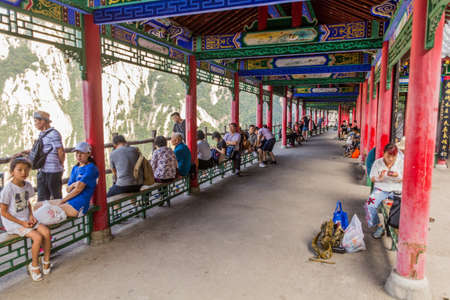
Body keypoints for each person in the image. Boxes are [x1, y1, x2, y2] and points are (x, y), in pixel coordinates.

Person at [0, 157, 52, 281]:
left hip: (26, 219)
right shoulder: (8, 189)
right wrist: (22, 222)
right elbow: (3, 212)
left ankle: (46, 260)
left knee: (46, 232)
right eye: (20, 170)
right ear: (12, 172)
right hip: (14, 223)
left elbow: (27, 203)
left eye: (26, 170)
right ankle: (34, 265)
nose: (24, 173)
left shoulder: (27, 185)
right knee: (37, 237)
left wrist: (31, 216)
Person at [37, 142, 99, 218]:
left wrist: (62, 201)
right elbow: (68, 189)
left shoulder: (91, 168)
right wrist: (74, 184)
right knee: (37, 205)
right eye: (77, 153)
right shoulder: (75, 168)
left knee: (43, 212)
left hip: (79, 205)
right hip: (69, 200)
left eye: (82, 153)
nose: (78, 155)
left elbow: (78, 189)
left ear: (88, 154)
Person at [365, 144, 403, 239]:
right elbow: (372, 178)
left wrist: (397, 176)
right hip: (381, 189)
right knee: (369, 205)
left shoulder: (400, 162)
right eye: (388, 156)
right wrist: (379, 178)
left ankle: (398, 228)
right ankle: (379, 226)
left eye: (393, 157)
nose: (390, 159)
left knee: (405, 205)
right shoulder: (378, 163)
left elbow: (405, 178)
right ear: (383, 153)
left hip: (397, 189)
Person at [33, 111, 65, 202]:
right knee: (42, 198)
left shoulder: (54, 134)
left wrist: (60, 165)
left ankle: (58, 215)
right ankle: (44, 215)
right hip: (43, 170)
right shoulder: (42, 134)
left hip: (53, 171)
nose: (35, 124)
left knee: (56, 197)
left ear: (42, 121)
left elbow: (61, 151)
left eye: (36, 121)